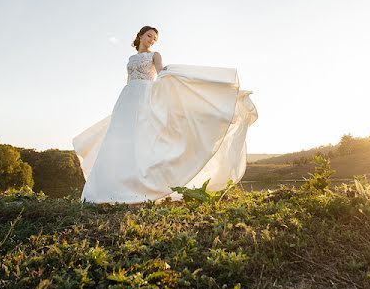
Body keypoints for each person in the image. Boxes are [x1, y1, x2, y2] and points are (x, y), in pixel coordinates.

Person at [73, 25, 258, 203]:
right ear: (140, 35)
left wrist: (174, 75)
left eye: (154, 38)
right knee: (121, 140)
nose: (151, 40)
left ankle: (141, 189)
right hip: (127, 98)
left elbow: (161, 72)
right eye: (149, 36)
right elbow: (129, 79)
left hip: (146, 96)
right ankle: (114, 188)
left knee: (143, 140)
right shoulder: (130, 59)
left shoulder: (155, 55)